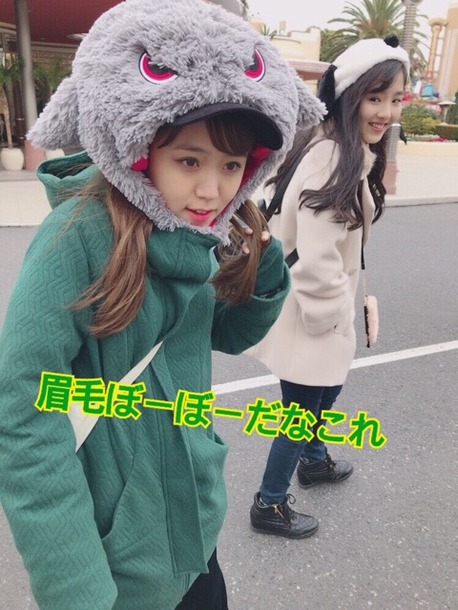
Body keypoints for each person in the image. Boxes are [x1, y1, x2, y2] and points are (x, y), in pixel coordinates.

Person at [0, 1, 325, 608]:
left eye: (232, 165)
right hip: (116, 562)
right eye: (189, 160)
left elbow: (221, 334)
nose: (212, 189)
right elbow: (21, 416)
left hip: (192, 528)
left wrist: (262, 275)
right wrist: (75, 588)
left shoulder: (191, 229)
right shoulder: (79, 237)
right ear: (139, 148)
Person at [247, 36, 410, 539]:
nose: (385, 112)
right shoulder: (332, 158)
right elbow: (316, 260)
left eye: (395, 99)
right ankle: (269, 502)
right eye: (374, 98)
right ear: (349, 95)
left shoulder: (335, 145)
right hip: (312, 311)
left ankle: (314, 459)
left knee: (325, 391)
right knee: (299, 412)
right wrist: (332, 319)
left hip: (311, 306)